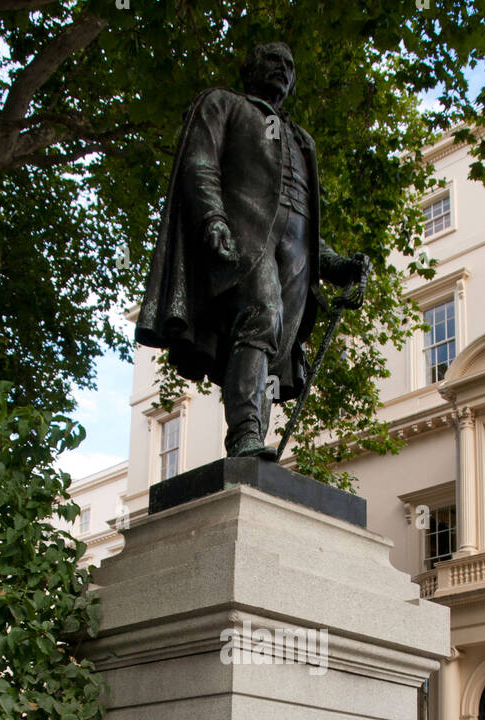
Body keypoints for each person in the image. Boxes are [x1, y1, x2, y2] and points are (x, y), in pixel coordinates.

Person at [136, 41, 367, 459]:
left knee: (275, 350)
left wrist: (335, 265)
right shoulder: (223, 104)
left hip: (295, 254)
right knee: (262, 314)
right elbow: (199, 164)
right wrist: (213, 219)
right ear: (251, 69)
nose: (283, 69)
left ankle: (252, 439)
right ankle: (243, 433)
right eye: (273, 61)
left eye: (290, 65)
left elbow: (305, 217)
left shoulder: (302, 140)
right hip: (245, 237)